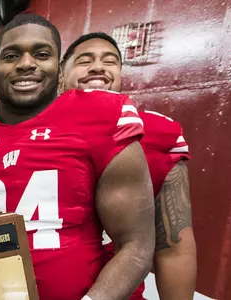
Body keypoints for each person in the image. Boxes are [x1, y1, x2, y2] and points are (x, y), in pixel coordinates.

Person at [0, 14, 155, 299]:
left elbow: (137, 243)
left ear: (58, 68)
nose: (26, 64)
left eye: (41, 54)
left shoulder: (100, 116)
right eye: (11, 55)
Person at [61, 32, 196, 300]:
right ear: (59, 76)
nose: (98, 67)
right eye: (84, 60)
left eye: (110, 61)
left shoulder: (157, 132)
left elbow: (174, 245)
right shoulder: (28, 129)